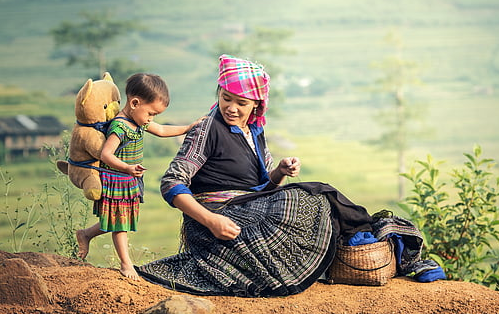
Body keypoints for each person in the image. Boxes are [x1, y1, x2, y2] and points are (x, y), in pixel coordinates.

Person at [136, 55, 378, 296]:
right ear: (218, 93)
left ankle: (365, 244)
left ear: (256, 105)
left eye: (241, 103)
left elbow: (263, 189)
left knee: (317, 198)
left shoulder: (255, 131)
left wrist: (280, 172)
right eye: (226, 98)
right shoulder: (206, 129)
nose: (231, 108)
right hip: (218, 219)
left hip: (248, 209)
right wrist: (211, 221)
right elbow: (171, 183)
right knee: (311, 195)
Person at [76, 73, 203, 280]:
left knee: (120, 219)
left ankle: (86, 234)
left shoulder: (139, 121)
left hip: (129, 180)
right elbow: (106, 154)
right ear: (135, 103)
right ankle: (126, 265)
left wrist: (189, 128)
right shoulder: (120, 126)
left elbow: (161, 130)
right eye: (151, 113)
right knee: (120, 224)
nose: (152, 119)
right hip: (117, 179)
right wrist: (126, 167)